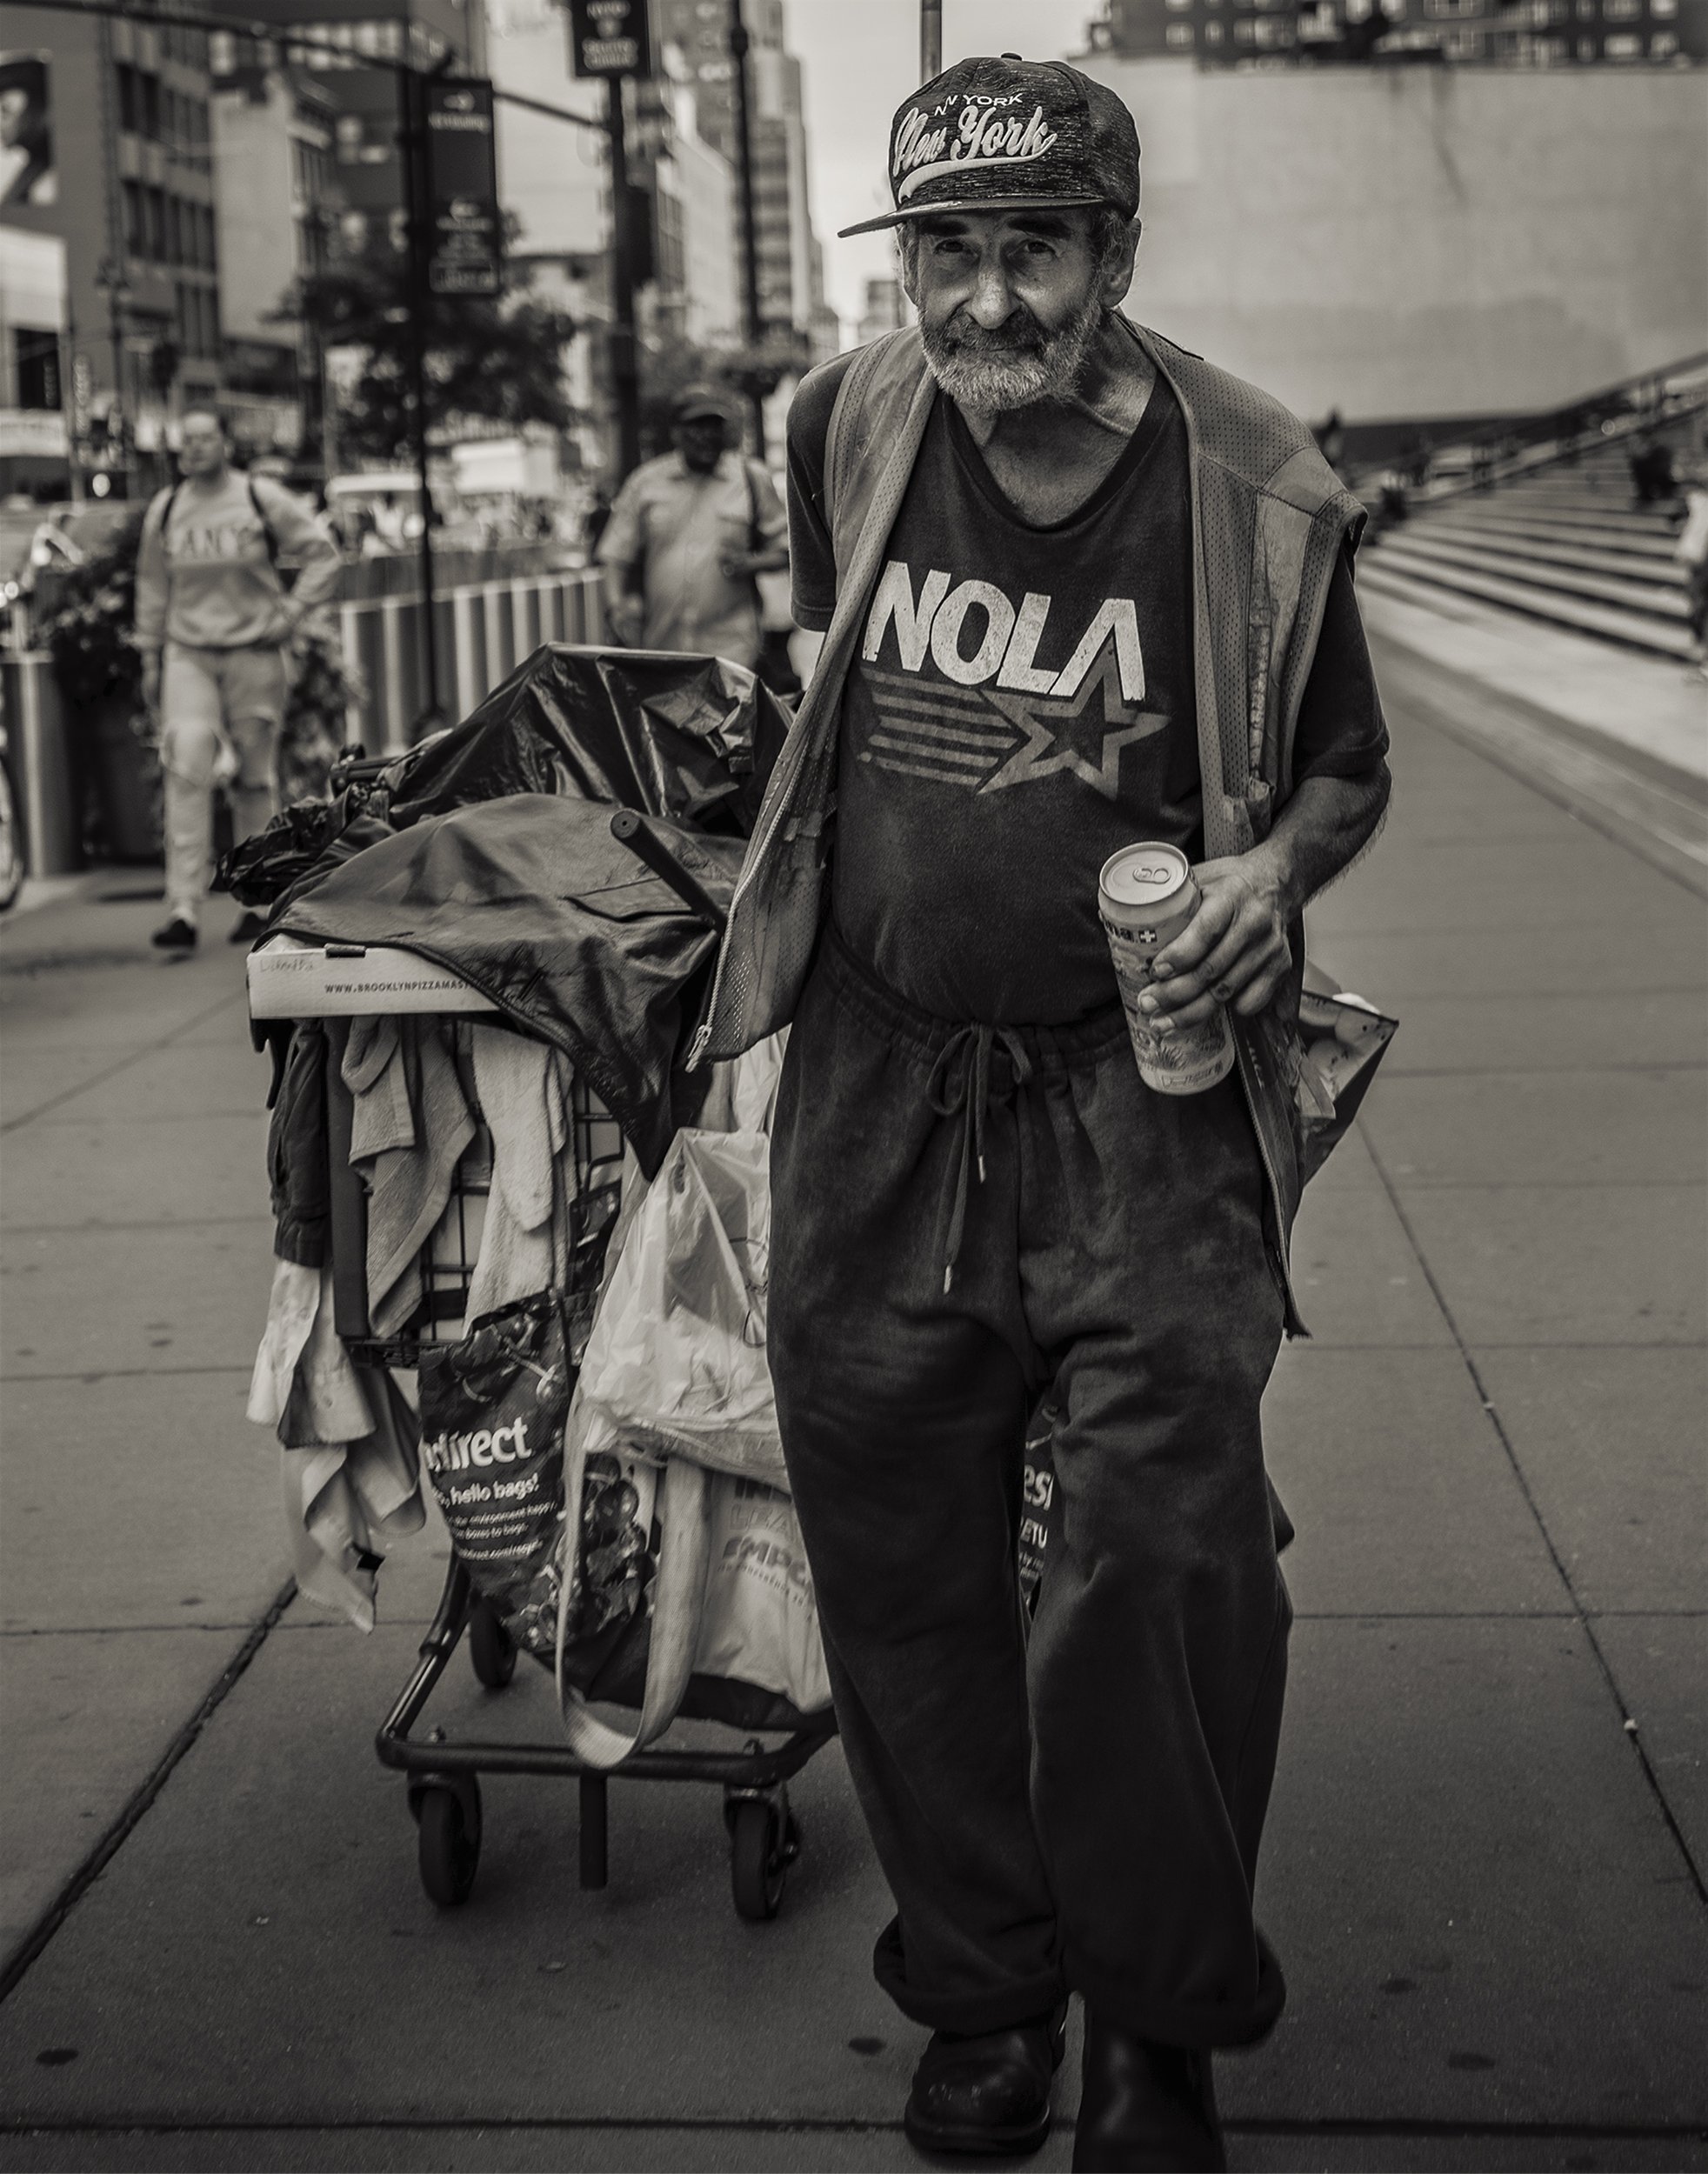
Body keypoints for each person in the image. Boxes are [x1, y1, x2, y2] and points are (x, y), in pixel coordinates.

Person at [691, 56, 1391, 2172]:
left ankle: (1155, 2023)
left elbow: (1345, 761)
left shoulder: (1257, 484)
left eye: (1031, 252)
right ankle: (983, 1988)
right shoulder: (837, 420)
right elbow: (819, 677)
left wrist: (1273, 878)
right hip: (876, 1083)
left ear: (1115, 252)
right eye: (942, 253)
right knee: (894, 1549)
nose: (983, 304)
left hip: (1141, 1095)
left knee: (1164, 1557)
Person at [134, 410, 342, 951]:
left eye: (206, 437)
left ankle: (259, 901)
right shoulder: (168, 508)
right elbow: (153, 587)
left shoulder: (260, 498)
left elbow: (323, 555)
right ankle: (182, 907)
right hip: (189, 654)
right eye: (188, 439)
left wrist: (292, 614)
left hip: (255, 652)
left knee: (254, 775)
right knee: (187, 762)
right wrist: (151, 658)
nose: (196, 447)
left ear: (225, 444)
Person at [596, 386, 788, 670]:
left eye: (714, 426)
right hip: (663, 647)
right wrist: (617, 608)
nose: (707, 435)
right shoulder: (646, 483)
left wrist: (749, 563)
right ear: (676, 432)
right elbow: (615, 555)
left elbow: (787, 552)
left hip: (733, 649)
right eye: (696, 426)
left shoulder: (750, 479)